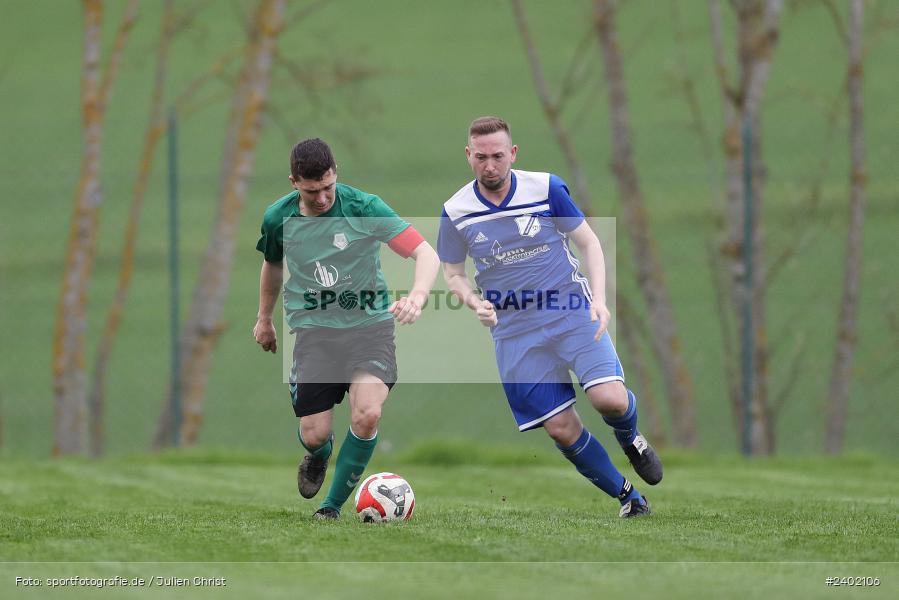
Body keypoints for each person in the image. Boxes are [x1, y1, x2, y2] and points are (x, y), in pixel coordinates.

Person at [437, 117, 662, 518]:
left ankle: (631, 439)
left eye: (499, 156)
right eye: (482, 157)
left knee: (608, 399)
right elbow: (452, 273)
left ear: (513, 154)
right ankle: (629, 497)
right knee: (559, 427)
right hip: (514, 330)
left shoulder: (546, 189)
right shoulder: (456, 211)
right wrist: (474, 302)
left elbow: (588, 241)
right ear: (469, 156)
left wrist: (600, 299)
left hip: (570, 309)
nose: (491, 165)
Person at [254, 138, 439, 520]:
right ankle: (319, 455)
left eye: (327, 187)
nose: (322, 198)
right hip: (315, 333)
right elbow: (273, 265)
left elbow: (425, 252)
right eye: (311, 191)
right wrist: (264, 319)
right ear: (294, 183)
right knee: (314, 434)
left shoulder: (365, 208)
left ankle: (330, 508)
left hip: (369, 328)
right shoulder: (277, 218)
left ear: (335, 172)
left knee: (368, 413)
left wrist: (417, 297)